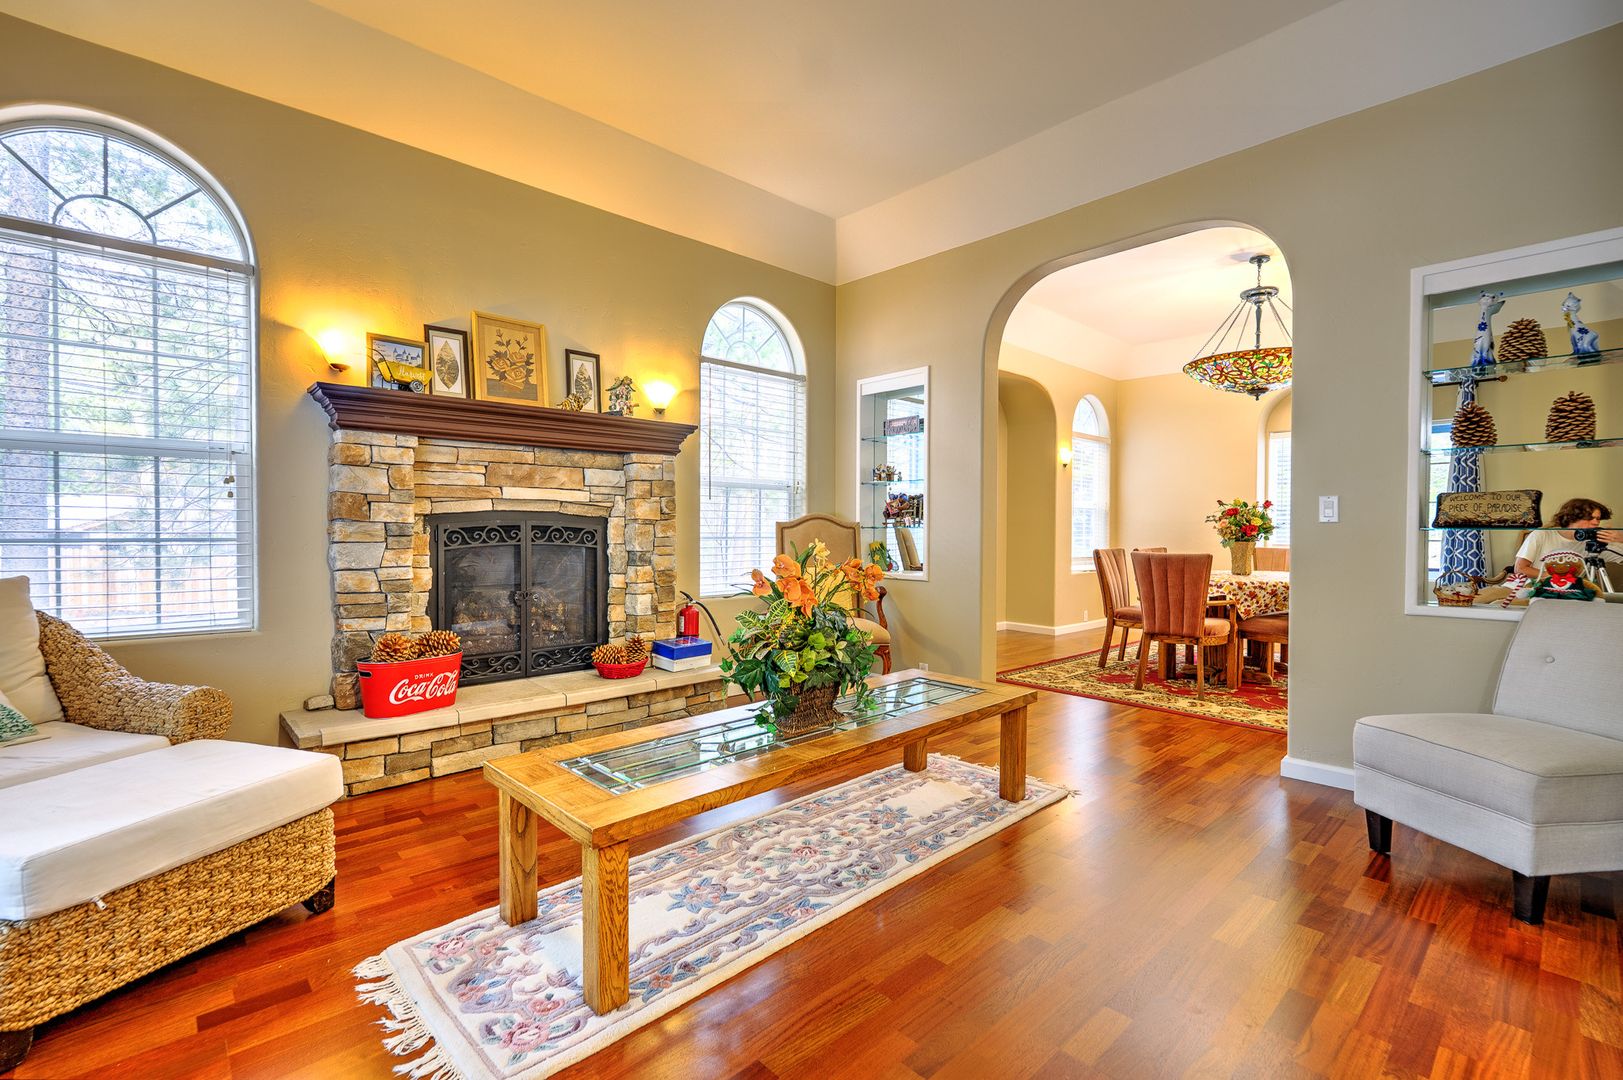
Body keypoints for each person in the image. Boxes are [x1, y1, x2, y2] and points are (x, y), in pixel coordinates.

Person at [1514, 498, 1623, 578]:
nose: (1596, 522)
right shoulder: (1542, 534)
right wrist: (1555, 578)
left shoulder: (1594, 541)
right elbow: (1520, 569)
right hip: (1537, 589)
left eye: (1598, 519)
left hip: (1571, 594)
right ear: (1571, 517)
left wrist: (1621, 539)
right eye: (1589, 517)